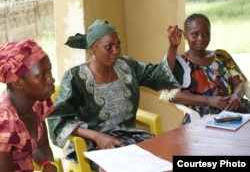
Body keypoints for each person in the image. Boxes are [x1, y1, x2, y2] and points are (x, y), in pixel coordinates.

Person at [47, 19, 189, 171]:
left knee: (169, 159)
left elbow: (157, 76)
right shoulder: (76, 77)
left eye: (118, 45)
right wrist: (97, 136)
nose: (116, 51)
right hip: (95, 145)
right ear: (92, 48)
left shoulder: (126, 66)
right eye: (108, 47)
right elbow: (58, 119)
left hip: (131, 137)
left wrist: (173, 47)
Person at [160, 13, 250, 124]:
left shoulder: (222, 56)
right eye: (195, 34)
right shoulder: (181, 62)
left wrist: (236, 96)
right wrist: (208, 100)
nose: (201, 39)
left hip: (235, 112)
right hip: (202, 119)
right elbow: (170, 95)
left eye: (206, 34)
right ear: (185, 35)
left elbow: (239, 83)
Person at [0, 39, 58, 172]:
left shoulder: (38, 101)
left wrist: (48, 165)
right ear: (18, 83)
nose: (51, 79)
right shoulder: (4, 121)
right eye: (42, 75)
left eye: (50, 70)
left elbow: (41, 145)